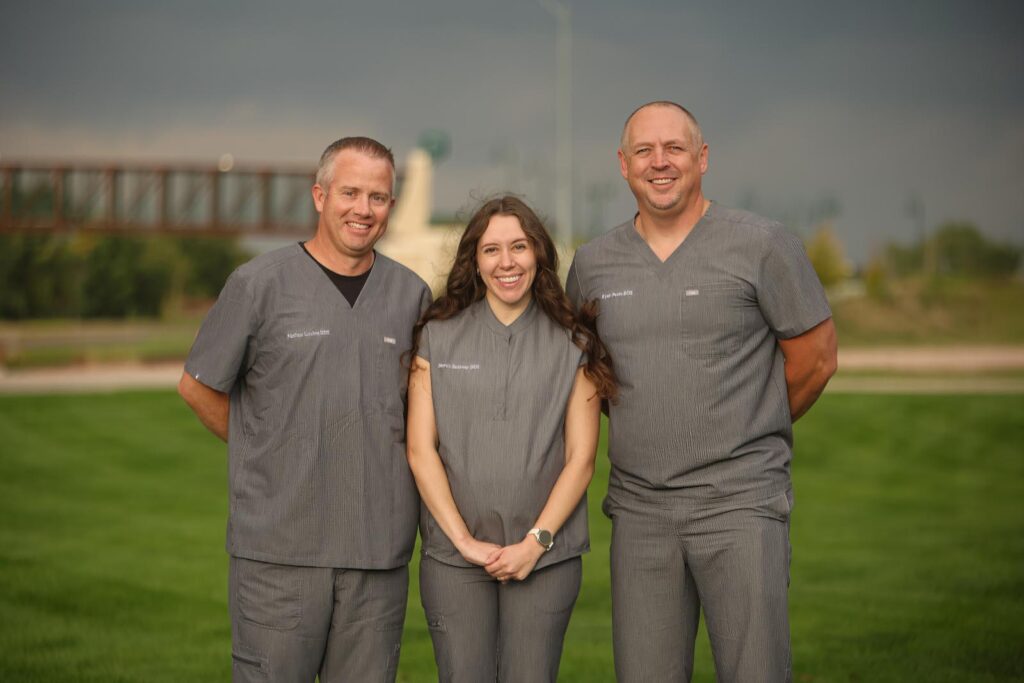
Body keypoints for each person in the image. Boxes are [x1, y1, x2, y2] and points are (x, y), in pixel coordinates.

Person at [566, 101, 838, 683]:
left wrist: (746, 426)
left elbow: (816, 359)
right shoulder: (593, 265)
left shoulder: (763, 245)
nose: (659, 163)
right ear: (622, 164)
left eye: (675, 149)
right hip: (640, 511)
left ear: (702, 158)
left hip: (739, 503)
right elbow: (587, 375)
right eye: (644, 150)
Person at [177, 136, 431, 682]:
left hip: (377, 552)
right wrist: (264, 446)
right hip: (278, 553)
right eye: (350, 192)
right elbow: (197, 386)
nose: (363, 209)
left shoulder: (411, 295)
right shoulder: (258, 284)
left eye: (379, 197)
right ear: (319, 195)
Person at [405, 195, 617, 683]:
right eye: (491, 249)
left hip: (545, 557)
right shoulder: (436, 334)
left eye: (519, 247)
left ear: (538, 253)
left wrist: (534, 543)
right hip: (453, 559)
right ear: (474, 261)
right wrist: (463, 541)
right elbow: (420, 450)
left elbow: (581, 460)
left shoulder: (574, 341)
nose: (507, 262)